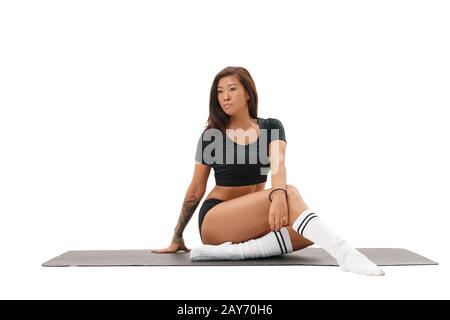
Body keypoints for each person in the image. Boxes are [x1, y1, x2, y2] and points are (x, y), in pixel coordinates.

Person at [152, 66, 384, 276]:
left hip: (254, 221)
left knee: (307, 232)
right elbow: (195, 191)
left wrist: (278, 194)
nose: (225, 96)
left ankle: (238, 252)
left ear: (248, 93)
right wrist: (177, 236)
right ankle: (345, 254)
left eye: (232, 89)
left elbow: (278, 164)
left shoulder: (271, 127)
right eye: (220, 92)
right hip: (216, 220)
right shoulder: (211, 136)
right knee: (291, 194)